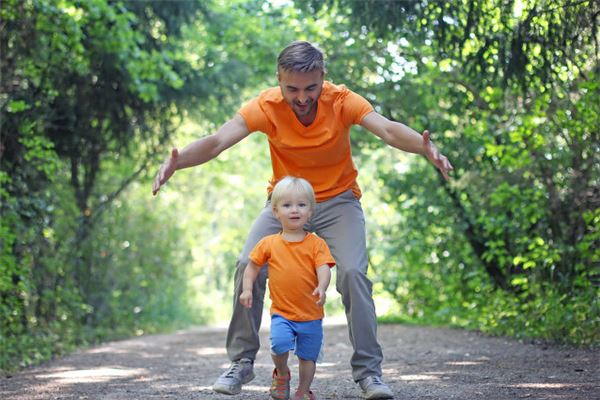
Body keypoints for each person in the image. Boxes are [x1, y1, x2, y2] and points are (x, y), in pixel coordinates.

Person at [152, 40, 453, 400]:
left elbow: (386, 129)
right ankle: (242, 362)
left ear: (323, 78)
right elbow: (218, 141)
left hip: (338, 202)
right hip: (285, 203)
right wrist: (178, 161)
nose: (301, 97)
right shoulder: (266, 106)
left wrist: (424, 147)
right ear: (278, 79)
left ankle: (370, 374)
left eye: (310, 88)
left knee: (354, 274)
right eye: (291, 88)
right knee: (247, 264)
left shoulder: (341, 101)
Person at [239, 176, 335, 400]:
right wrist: (246, 289)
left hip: (311, 314)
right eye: (287, 205)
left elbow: (324, 268)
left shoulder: (316, 243)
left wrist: (322, 286)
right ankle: (282, 373)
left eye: (302, 205)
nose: (295, 210)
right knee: (280, 345)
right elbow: (251, 267)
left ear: (310, 211)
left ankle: (302, 390)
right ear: (275, 211)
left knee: (307, 357)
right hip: (282, 312)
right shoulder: (269, 243)